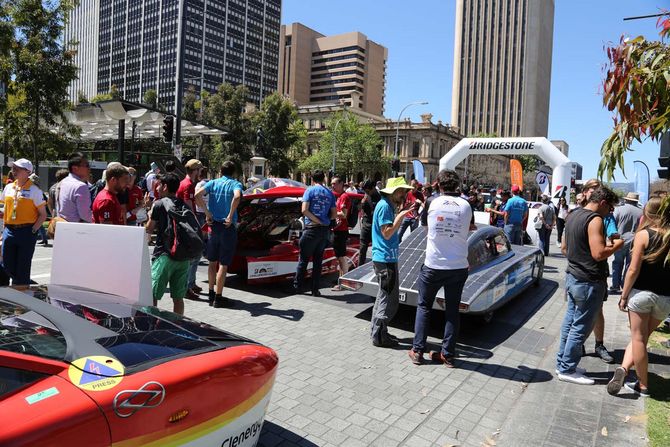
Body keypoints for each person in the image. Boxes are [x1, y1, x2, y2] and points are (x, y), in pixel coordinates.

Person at [556, 186, 623, 385]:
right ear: (602, 203)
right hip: (588, 281)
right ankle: (567, 368)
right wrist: (618, 244)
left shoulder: (573, 215)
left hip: (574, 276)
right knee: (581, 327)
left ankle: (563, 364)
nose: (610, 212)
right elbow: (599, 253)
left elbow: (564, 248)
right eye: (610, 208)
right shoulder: (594, 220)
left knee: (570, 323)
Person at [409, 170, 475, 367]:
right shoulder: (467, 204)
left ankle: (418, 351)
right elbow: (471, 227)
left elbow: (425, 227)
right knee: (452, 311)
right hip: (458, 266)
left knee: (424, 306)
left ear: (438, 185)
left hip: (434, 264)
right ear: (457, 185)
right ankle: (448, 355)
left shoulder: (431, 201)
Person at [607, 196, 668, 397]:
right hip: (665, 298)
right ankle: (624, 369)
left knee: (638, 338)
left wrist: (623, 295)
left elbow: (632, 269)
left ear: (647, 214)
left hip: (642, 293)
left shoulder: (643, 235)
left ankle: (643, 386)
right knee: (641, 338)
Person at [370, 177, 413, 347]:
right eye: (402, 191)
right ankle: (379, 336)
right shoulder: (385, 207)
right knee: (388, 300)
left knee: (384, 297)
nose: (404, 194)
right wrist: (401, 216)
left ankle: (379, 332)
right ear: (394, 192)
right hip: (385, 259)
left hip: (386, 258)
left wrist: (401, 211)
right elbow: (387, 233)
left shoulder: (387, 205)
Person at [194, 160, 243, 308]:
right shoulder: (235, 184)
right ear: (234, 173)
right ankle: (218, 297)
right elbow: (237, 196)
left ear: (220, 171)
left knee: (212, 261)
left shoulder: (213, 183)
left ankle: (210, 292)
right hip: (227, 227)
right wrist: (230, 214)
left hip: (213, 227)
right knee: (223, 264)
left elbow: (197, 195)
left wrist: (207, 212)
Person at [145, 173, 190, 315]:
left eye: (159, 184)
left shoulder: (158, 204)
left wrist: (148, 209)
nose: (157, 187)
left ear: (165, 186)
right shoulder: (183, 204)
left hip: (164, 255)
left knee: (152, 295)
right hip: (183, 257)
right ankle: (178, 325)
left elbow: (149, 228)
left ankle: (151, 326)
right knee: (178, 298)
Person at [0, 159, 47, 285]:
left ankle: (22, 292)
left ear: (28, 172)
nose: (13, 171)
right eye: (13, 168)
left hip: (26, 231)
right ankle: (18, 286)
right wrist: (4, 230)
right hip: (9, 231)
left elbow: (43, 214)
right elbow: (5, 209)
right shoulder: (9, 187)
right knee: (6, 265)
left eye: (17, 169)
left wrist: (33, 230)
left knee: (23, 267)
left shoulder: (35, 191)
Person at [293, 170, 336, 296]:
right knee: (318, 261)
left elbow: (304, 210)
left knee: (303, 260)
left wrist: (317, 220)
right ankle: (315, 290)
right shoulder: (330, 193)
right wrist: (324, 221)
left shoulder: (309, 191)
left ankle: (297, 286)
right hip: (324, 232)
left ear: (312, 179)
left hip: (311, 229)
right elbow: (334, 214)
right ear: (324, 179)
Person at [177, 159, 204, 300]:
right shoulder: (188, 185)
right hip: (188, 225)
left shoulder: (186, 183)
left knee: (195, 256)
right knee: (192, 256)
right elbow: (188, 208)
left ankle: (190, 283)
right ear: (195, 170)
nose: (201, 172)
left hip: (186, 224)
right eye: (200, 169)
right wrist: (195, 227)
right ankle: (187, 286)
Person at [610, 192, 644, 294]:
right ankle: (625, 285)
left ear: (627, 199)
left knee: (617, 262)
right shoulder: (641, 212)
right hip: (634, 241)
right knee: (629, 265)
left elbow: (613, 223)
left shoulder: (619, 209)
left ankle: (615, 285)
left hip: (620, 240)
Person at [330, 176, 352, 290]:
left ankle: (343, 282)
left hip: (341, 231)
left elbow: (343, 214)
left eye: (334, 183)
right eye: (332, 184)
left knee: (341, 257)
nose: (332, 186)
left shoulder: (344, 197)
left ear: (341, 184)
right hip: (337, 230)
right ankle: (342, 280)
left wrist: (331, 213)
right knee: (340, 257)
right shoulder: (338, 197)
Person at [58, 152, 92, 223]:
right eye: (87, 165)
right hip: (77, 229)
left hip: (62, 226)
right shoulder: (81, 186)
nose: (89, 168)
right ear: (74, 168)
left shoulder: (63, 182)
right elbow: (85, 215)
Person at [359, 179, 381, 265]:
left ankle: (377, 268)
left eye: (367, 190)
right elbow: (361, 208)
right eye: (365, 191)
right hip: (366, 225)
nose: (366, 192)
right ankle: (358, 269)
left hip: (375, 226)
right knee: (362, 249)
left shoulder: (380, 198)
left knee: (376, 249)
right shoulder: (366, 196)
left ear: (373, 188)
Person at [28, 174, 49, 246]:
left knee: (37, 225)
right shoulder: (35, 189)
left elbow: (45, 200)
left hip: (37, 210)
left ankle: (42, 239)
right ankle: (44, 239)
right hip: (36, 209)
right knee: (40, 225)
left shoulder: (37, 190)